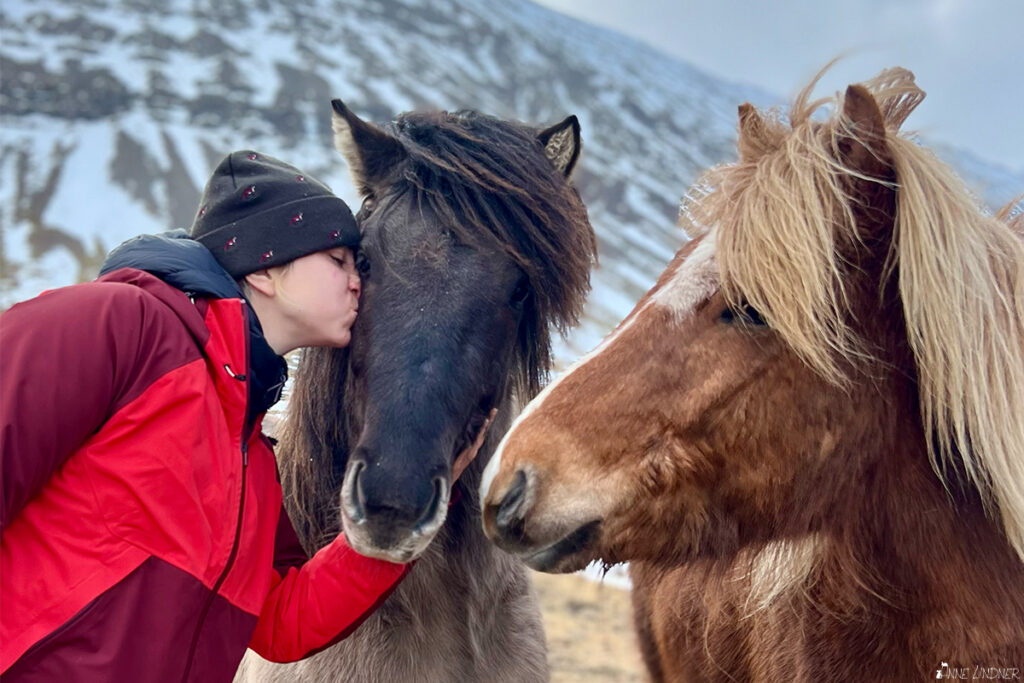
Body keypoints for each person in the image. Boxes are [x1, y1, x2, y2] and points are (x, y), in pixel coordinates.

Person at [0, 151, 490, 681]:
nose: (359, 284)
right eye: (342, 261)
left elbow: (283, 623)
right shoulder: (116, 324)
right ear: (267, 270)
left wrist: (410, 513)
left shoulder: (252, 463)